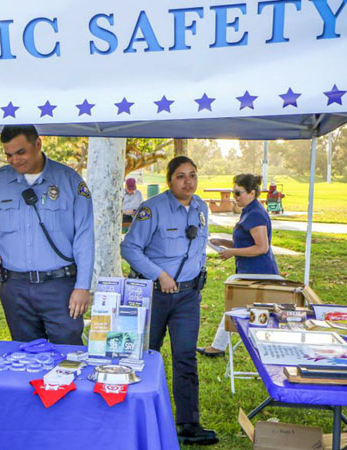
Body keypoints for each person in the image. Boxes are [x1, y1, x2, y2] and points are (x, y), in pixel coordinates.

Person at [120, 156, 218, 446]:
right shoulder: (152, 209)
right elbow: (130, 248)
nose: (188, 181)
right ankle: (135, 419)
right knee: (146, 356)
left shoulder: (201, 208)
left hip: (188, 296)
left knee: (185, 358)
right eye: (180, 176)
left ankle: (189, 424)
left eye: (192, 175)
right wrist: (159, 274)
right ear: (169, 179)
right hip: (155, 294)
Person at [0, 125, 94, 345]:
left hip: (60, 287)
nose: (14, 160)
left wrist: (82, 286)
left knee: (67, 357)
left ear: (38, 144)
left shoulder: (69, 181)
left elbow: (84, 235)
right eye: (8, 155)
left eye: (21, 152)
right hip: (15, 288)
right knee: (25, 358)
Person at [198, 174, 280, 357]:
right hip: (251, 271)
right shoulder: (250, 211)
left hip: (260, 273)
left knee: (236, 307)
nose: (234, 196)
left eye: (238, 193)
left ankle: (218, 347)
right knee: (234, 308)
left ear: (252, 193)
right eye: (233, 192)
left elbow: (261, 247)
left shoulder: (256, 213)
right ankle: (218, 347)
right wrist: (226, 243)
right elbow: (247, 243)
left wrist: (232, 252)